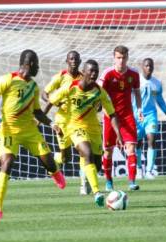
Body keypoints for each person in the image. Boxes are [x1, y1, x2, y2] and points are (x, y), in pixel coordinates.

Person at [0, 49, 66, 220]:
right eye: (37, 64)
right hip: (9, 132)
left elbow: (37, 112)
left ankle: (55, 172)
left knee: (50, 164)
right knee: (7, 164)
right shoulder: (7, 79)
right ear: (30, 64)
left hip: (30, 131)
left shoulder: (33, 87)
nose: (38, 68)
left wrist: (51, 123)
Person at [49, 59, 123, 207]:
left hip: (94, 128)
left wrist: (119, 135)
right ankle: (97, 193)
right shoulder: (70, 86)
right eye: (91, 71)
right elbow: (50, 100)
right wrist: (46, 121)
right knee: (86, 153)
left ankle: (81, 175)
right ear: (84, 72)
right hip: (74, 126)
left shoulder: (99, 91)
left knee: (95, 164)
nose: (94, 74)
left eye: (96, 71)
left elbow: (112, 114)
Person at [42, 51, 91, 195]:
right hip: (62, 122)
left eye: (76, 59)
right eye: (71, 59)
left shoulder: (83, 77)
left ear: (80, 61)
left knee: (83, 151)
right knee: (66, 158)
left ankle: (84, 184)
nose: (74, 61)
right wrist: (55, 102)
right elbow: (44, 93)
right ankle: (52, 159)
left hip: (78, 121)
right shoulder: (60, 77)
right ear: (67, 61)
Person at [99, 45, 143, 191]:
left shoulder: (134, 74)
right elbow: (98, 92)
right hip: (110, 117)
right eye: (118, 58)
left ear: (127, 58)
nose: (121, 61)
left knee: (131, 148)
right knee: (108, 151)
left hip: (127, 116)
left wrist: (140, 109)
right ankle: (109, 181)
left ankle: (131, 182)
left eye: (123, 58)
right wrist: (103, 109)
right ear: (114, 58)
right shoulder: (107, 74)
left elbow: (137, 93)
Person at [133, 58, 166, 179]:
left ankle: (149, 170)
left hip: (151, 115)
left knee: (152, 139)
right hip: (137, 115)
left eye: (151, 66)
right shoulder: (136, 81)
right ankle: (138, 169)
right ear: (142, 67)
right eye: (147, 66)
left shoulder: (157, 83)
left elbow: (160, 101)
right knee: (137, 143)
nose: (149, 68)